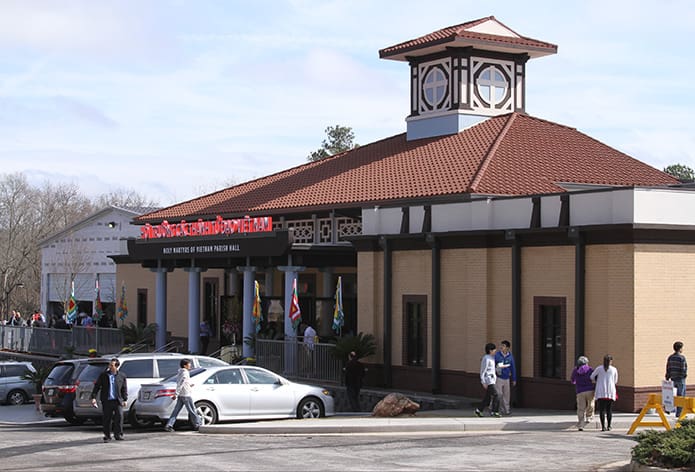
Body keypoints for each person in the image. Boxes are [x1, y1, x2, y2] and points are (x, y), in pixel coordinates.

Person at [91, 358, 128, 442]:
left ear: (116, 366)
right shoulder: (104, 375)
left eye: (112, 365)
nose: (110, 367)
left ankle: (118, 434)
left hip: (117, 400)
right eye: (109, 365)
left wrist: (125, 399)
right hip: (107, 400)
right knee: (107, 418)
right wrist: (93, 397)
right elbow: (97, 386)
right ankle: (107, 436)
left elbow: (124, 388)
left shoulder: (122, 376)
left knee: (119, 417)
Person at [164, 358, 201, 432]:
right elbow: (181, 383)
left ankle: (169, 425)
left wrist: (189, 385)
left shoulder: (180, 372)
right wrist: (176, 393)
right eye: (189, 364)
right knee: (192, 410)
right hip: (186, 395)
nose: (190, 365)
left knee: (176, 411)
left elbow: (182, 382)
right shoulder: (185, 372)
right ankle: (198, 424)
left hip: (181, 395)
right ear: (185, 365)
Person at [590, 354, 618, 431]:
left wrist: (597, 379)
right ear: (611, 361)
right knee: (609, 410)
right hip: (610, 391)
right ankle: (609, 425)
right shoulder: (614, 369)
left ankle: (603, 426)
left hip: (601, 392)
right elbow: (615, 381)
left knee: (602, 410)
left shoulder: (599, 368)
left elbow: (591, 376)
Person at [475, 342, 500, 418]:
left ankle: (479, 410)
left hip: (493, 379)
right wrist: (483, 382)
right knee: (497, 395)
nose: (495, 351)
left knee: (487, 398)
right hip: (489, 381)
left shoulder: (492, 358)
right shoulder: (486, 358)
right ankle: (494, 411)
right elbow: (483, 370)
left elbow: (492, 369)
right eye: (494, 349)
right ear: (490, 350)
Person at [571, 355, 594, 431]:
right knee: (591, 404)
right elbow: (594, 378)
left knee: (581, 408)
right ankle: (589, 417)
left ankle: (581, 423)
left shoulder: (575, 370)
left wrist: (576, 382)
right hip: (589, 390)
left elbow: (573, 380)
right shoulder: (590, 369)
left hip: (580, 391)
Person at [494, 340, 517, 415]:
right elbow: (493, 365)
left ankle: (507, 409)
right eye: (501, 345)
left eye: (503, 346)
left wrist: (514, 379)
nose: (501, 347)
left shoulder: (510, 356)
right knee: (499, 394)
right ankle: (499, 408)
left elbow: (513, 367)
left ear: (507, 348)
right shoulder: (497, 355)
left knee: (507, 395)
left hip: (507, 378)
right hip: (499, 377)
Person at [665, 341, 687, 417]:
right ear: (680, 349)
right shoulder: (682, 358)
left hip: (673, 378)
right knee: (681, 396)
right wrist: (683, 376)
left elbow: (668, 367)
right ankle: (679, 413)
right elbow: (683, 369)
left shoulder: (670, 357)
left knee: (672, 395)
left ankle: (669, 409)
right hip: (680, 379)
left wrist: (667, 377)